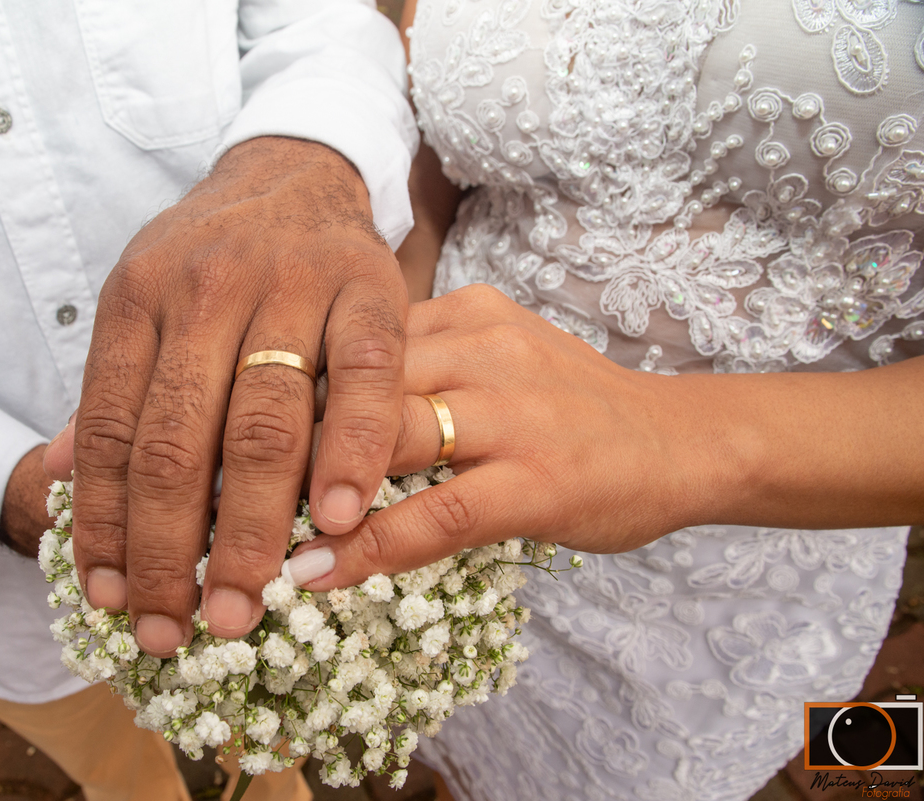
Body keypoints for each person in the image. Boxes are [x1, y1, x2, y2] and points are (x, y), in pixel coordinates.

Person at [0, 2, 418, 798]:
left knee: (278, 734)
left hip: (274, 475)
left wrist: (306, 156)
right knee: (119, 772)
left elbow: (314, 21)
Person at [274, 0, 924, 799]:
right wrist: (391, 314)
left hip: (726, 547)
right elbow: (440, 135)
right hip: (436, 450)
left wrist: (670, 441)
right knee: (447, 721)